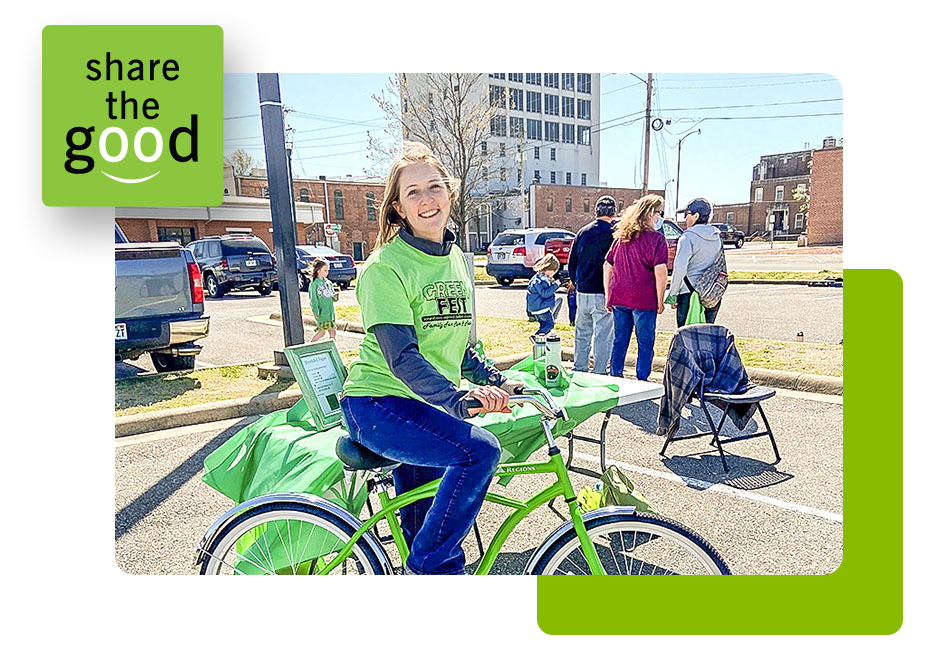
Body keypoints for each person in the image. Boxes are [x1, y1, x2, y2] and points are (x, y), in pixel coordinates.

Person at [339, 142, 524, 576]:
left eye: (434, 187)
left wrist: (496, 380)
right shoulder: (385, 268)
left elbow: (455, 345)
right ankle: (435, 567)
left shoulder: (456, 258)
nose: (427, 200)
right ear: (399, 208)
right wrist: (456, 398)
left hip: (421, 404)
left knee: (421, 522)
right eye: (413, 193)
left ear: (450, 194)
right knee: (479, 453)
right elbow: (402, 357)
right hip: (378, 404)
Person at [603, 194, 669, 381]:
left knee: (620, 340)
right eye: (658, 212)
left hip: (619, 297)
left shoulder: (621, 238)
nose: (659, 217)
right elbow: (661, 272)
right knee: (645, 342)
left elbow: (608, 265)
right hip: (644, 300)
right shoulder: (657, 240)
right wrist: (660, 300)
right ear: (650, 213)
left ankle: (615, 375)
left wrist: (609, 294)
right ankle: (642, 378)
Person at [568, 195, 617, 374]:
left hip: (583, 291)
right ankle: (599, 370)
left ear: (596, 211)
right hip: (604, 291)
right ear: (614, 213)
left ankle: (579, 367)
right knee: (603, 335)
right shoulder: (616, 234)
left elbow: (572, 263)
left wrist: (577, 282)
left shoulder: (582, 232)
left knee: (582, 333)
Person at [668, 197, 724, 327]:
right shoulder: (717, 236)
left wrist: (673, 294)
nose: (685, 218)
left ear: (696, 215)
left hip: (689, 292)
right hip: (712, 293)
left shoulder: (687, 237)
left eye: (686, 214)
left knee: (686, 337)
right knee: (706, 336)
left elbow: (680, 268)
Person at [526, 253, 563, 336]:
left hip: (535, 308)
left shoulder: (536, 278)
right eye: (553, 271)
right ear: (549, 269)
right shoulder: (543, 279)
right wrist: (556, 285)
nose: (553, 274)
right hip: (542, 308)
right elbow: (545, 293)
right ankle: (537, 336)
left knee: (544, 325)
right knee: (550, 325)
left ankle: (541, 341)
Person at [308, 258, 339, 343]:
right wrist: (316, 311)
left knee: (332, 331)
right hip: (322, 312)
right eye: (325, 270)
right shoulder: (314, 284)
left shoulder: (328, 283)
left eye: (327, 270)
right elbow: (313, 299)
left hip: (330, 312)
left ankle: (333, 349)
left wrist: (335, 297)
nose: (327, 272)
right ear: (318, 270)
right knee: (321, 332)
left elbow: (332, 297)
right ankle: (311, 345)